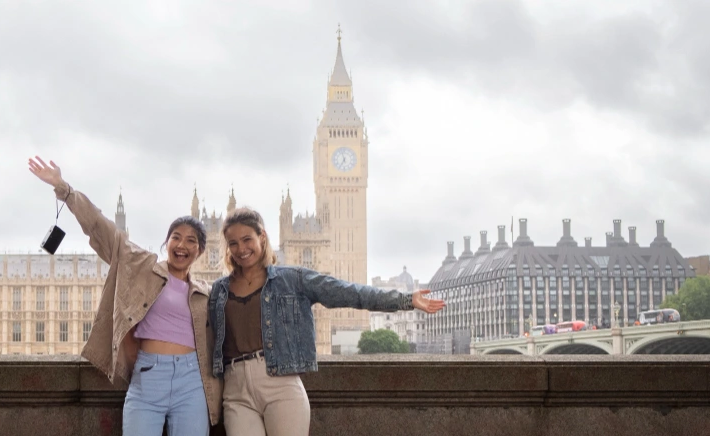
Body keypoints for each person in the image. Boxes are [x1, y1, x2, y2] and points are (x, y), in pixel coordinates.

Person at [209, 208, 446, 436]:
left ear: (262, 236)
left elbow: (346, 292)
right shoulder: (219, 289)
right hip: (236, 388)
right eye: (233, 243)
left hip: (280, 384)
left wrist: (405, 300)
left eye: (247, 239)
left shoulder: (292, 279)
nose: (241, 249)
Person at [28, 156, 221, 435]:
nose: (182, 245)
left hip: (192, 381)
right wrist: (64, 188)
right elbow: (100, 227)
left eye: (191, 240)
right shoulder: (141, 266)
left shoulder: (208, 291)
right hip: (148, 376)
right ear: (166, 243)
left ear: (200, 251)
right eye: (176, 237)